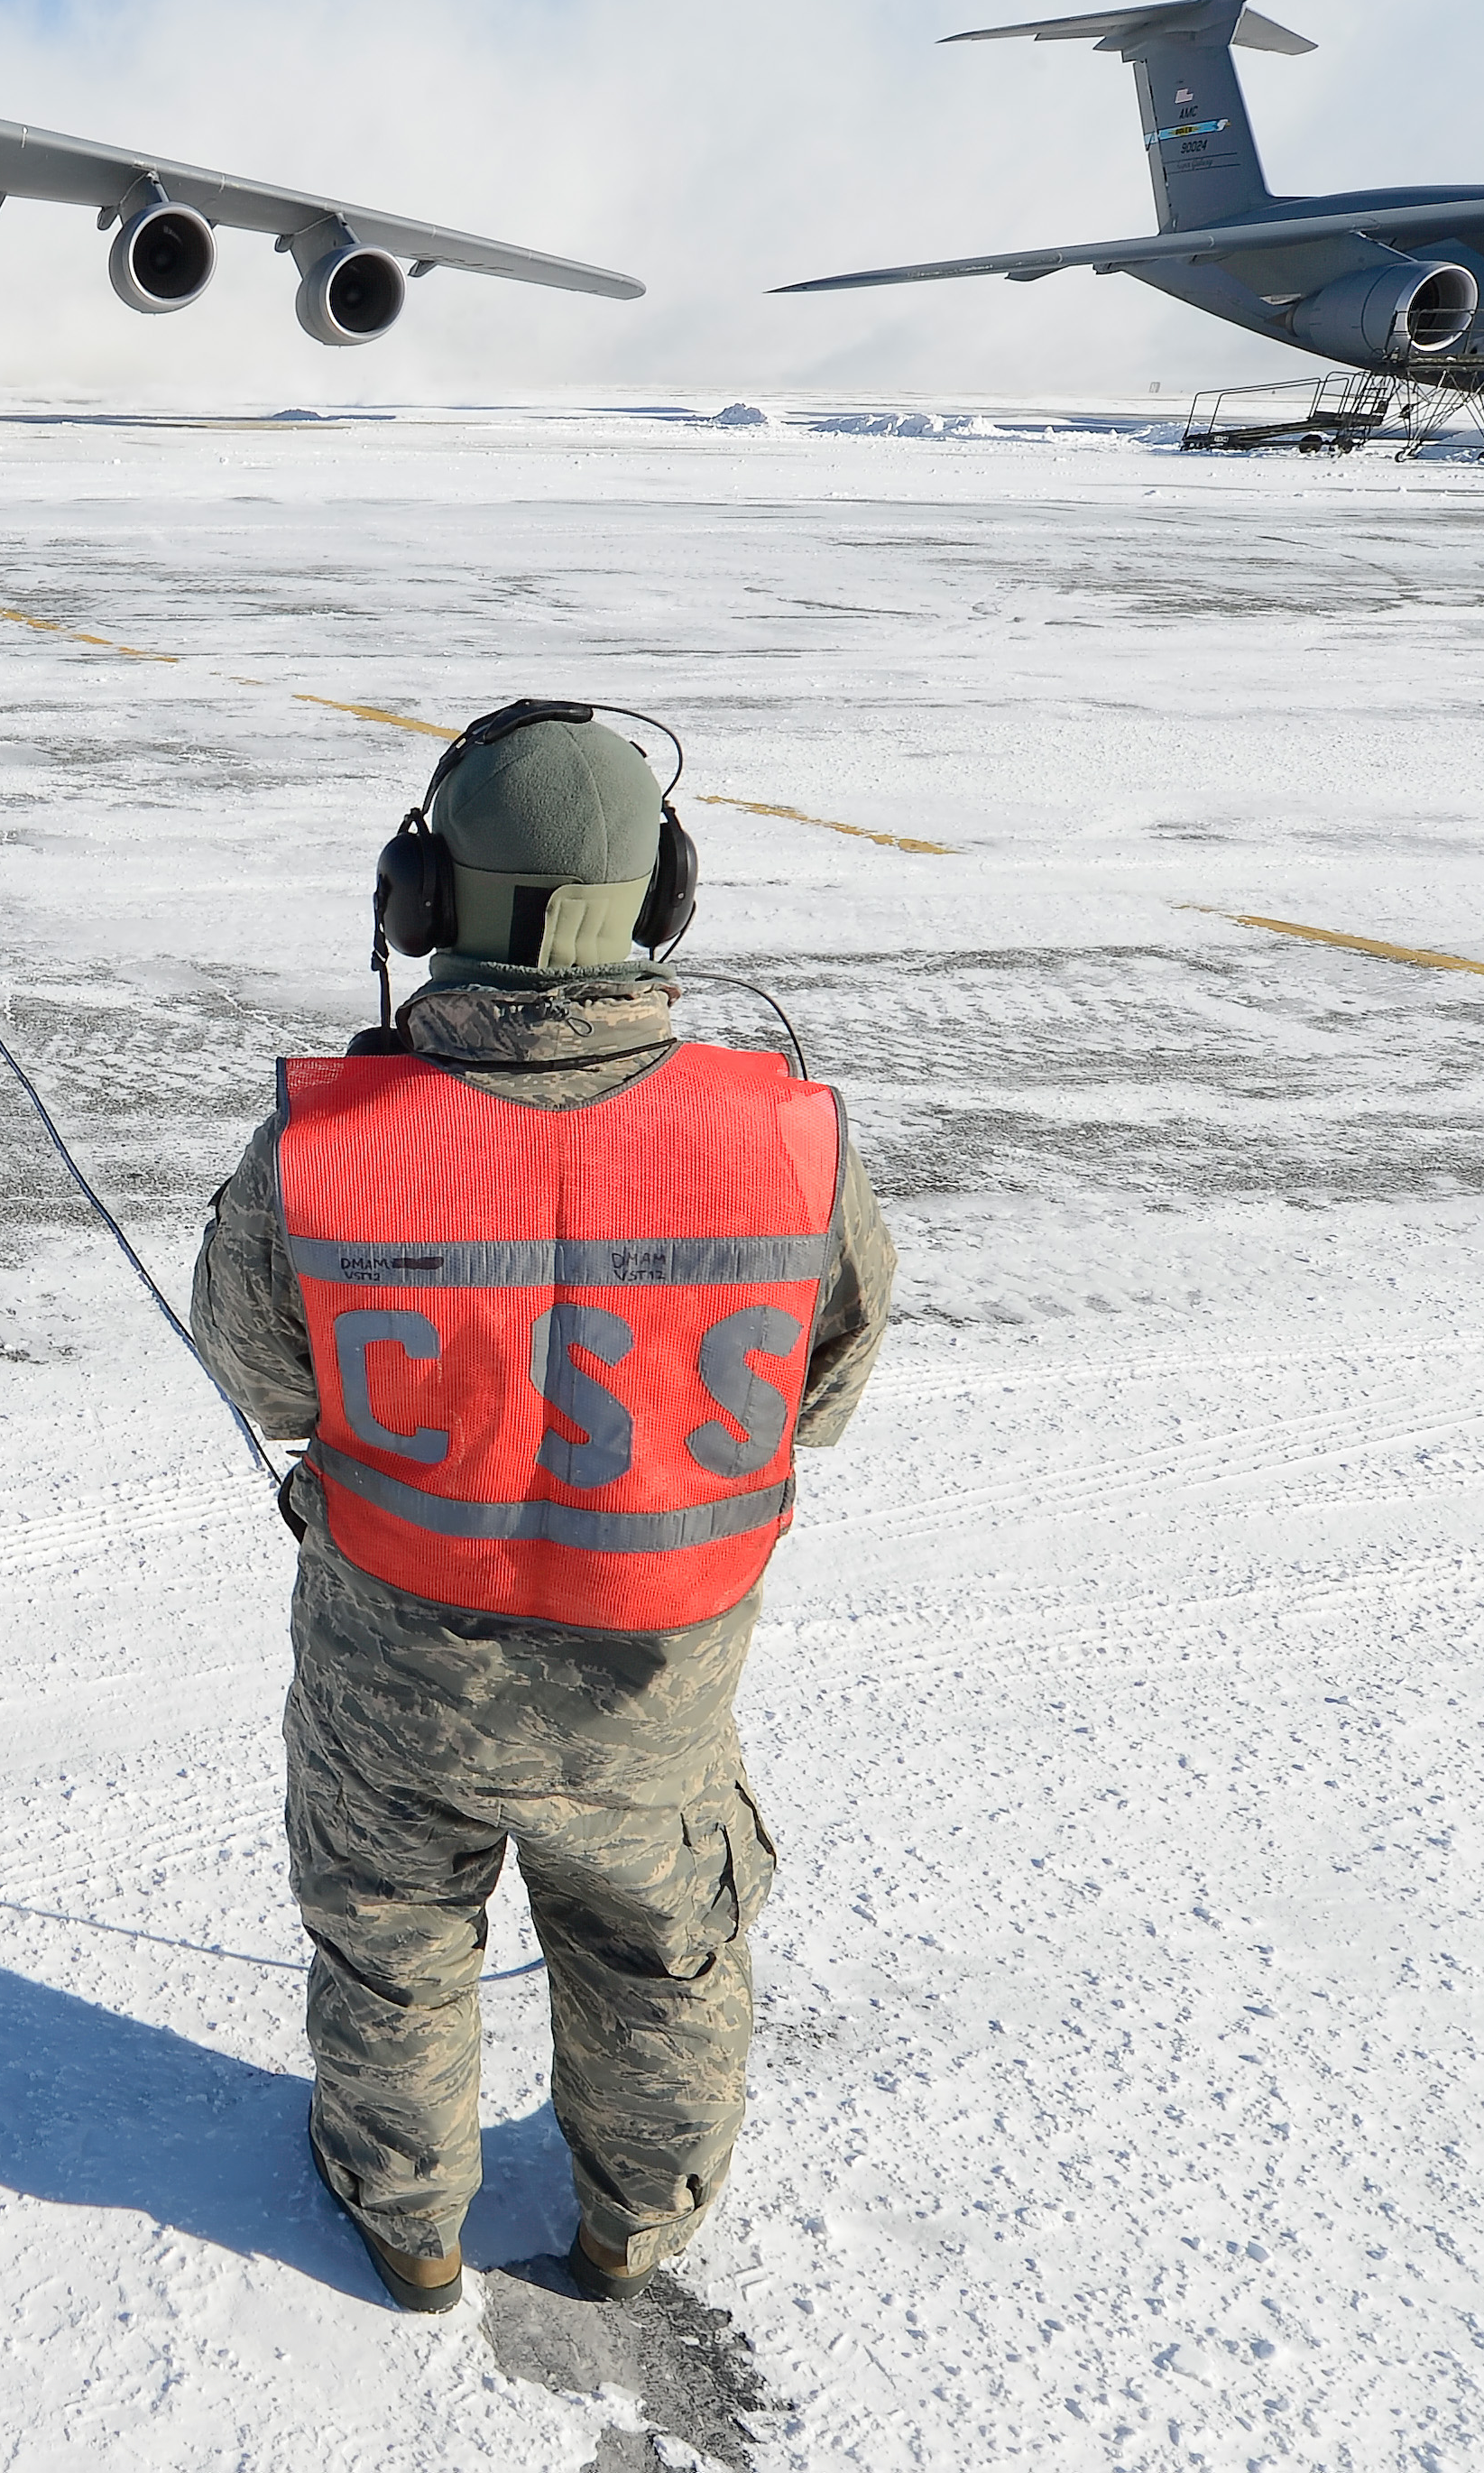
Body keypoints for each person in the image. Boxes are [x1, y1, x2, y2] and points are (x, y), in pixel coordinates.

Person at [191, 698, 895, 2314]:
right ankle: (628, 2227)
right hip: (655, 1690)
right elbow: (827, 1385)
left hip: (395, 1673)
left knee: (391, 1941)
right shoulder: (792, 1139)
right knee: (658, 1955)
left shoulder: (320, 1142)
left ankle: (407, 2225)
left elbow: (266, 1372)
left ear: (417, 905)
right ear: (663, 899)